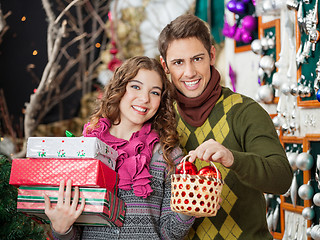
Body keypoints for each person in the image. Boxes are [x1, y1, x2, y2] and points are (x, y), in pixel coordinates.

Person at [158, 14, 293, 240]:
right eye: (178, 62)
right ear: (165, 66)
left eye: (197, 58)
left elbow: (282, 179)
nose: (189, 72)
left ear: (212, 55)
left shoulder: (244, 111)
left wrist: (233, 159)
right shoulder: (162, 119)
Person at [43, 56, 195, 240]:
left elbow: (168, 233)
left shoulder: (168, 154)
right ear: (120, 88)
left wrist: (189, 207)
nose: (145, 98)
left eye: (154, 92)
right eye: (136, 86)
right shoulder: (86, 148)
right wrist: (61, 229)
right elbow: (76, 232)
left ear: (161, 101)